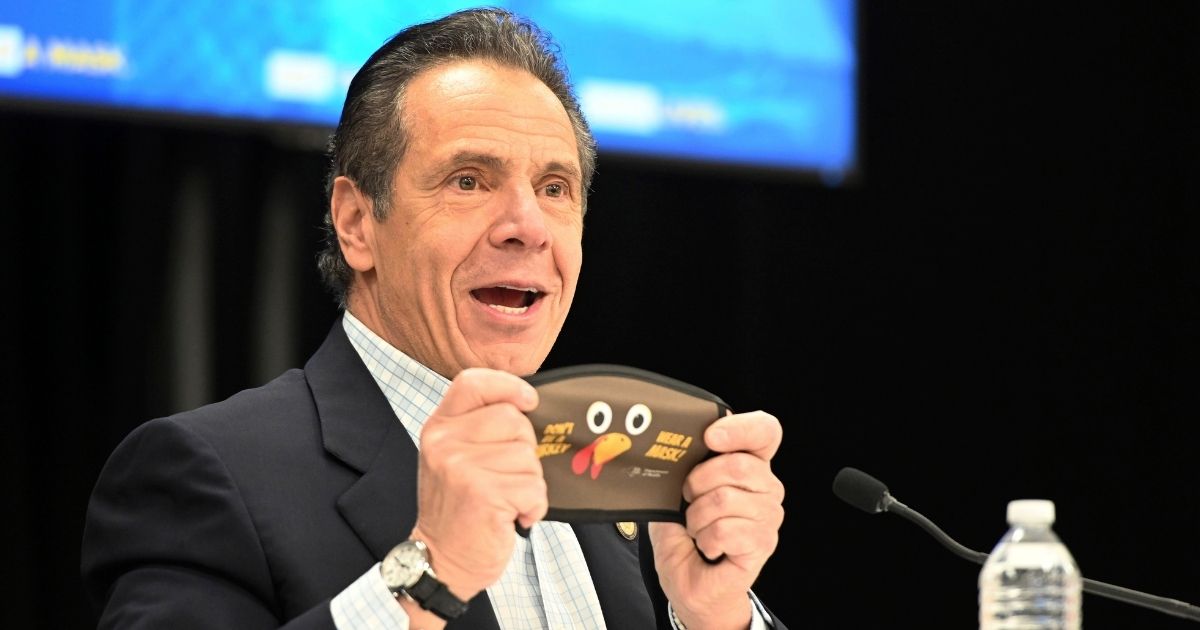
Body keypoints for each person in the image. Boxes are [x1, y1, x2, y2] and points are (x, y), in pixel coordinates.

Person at [81, 8, 786, 629]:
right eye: (469, 180)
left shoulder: (617, 495)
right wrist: (427, 574)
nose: (527, 226)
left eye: (554, 188)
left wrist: (715, 619)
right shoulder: (203, 474)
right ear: (357, 224)